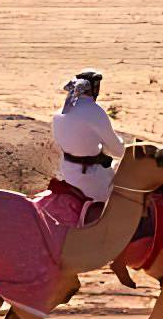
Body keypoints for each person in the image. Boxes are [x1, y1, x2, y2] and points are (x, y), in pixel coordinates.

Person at [53, 70, 126, 220]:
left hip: (66, 172)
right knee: (119, 201)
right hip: (90, 177)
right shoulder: (94, 111)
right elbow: (118, 151)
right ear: (94, 89)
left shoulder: (59, 113)